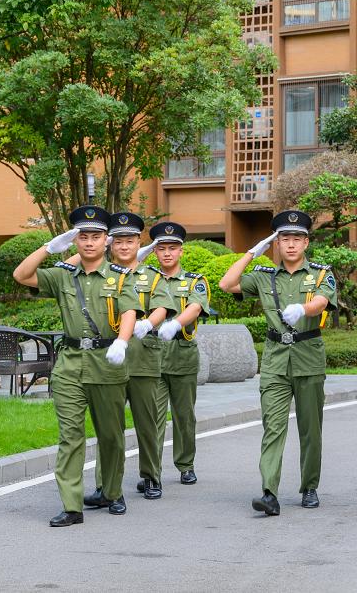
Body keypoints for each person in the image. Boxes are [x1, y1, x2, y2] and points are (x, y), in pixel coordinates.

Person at [12, 206, 141, 527]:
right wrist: (48, 247)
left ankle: (111, 490)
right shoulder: (62, 275)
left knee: (110, 436)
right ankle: (72, 505)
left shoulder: (119, 277)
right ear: (76, 240)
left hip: (107, 363)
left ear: (106, 241)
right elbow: (21, 275)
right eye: (82, 236)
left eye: (95, 236)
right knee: (70, 436)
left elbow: (128, 313)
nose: (89, 242)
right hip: (70, 365)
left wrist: (122, 343)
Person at [219, 210, 337, 516]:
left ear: (306, 242)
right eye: (285, 239)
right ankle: (269, 492)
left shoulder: (321, 274)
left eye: (297, 238)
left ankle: (309, 486)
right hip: (274, 360)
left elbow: (322, 302)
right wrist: (250, 253)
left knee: (310, 428)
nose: (291, 245)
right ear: (277, 243)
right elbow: (226, 284)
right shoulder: (263, 275)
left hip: (308, 357)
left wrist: (304, 308)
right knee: (273, 427)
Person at [74, 212, 176, 506]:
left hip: (142, 359)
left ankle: (151, 475)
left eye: (129, 240)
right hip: (107, 361)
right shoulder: (98, 275)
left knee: (146, 422)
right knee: (109, 427)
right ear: (109, 243)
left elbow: (162, 307)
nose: (123, 246)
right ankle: (106, 485)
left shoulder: (152, 276)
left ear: (138, 243)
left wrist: (147, 324)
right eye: (118, 240)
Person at [149, 221, 210, 492]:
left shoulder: (194, 281)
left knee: (184, 415)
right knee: (152, 416)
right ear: (154, 252)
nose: (167, 253)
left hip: (182, 354)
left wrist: (174, 323)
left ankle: (186, 465)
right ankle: (151, 471)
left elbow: (196, 308)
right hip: (151, 354)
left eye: (173, 248)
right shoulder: (146, 280)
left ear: (182, 251)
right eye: (161, 248)